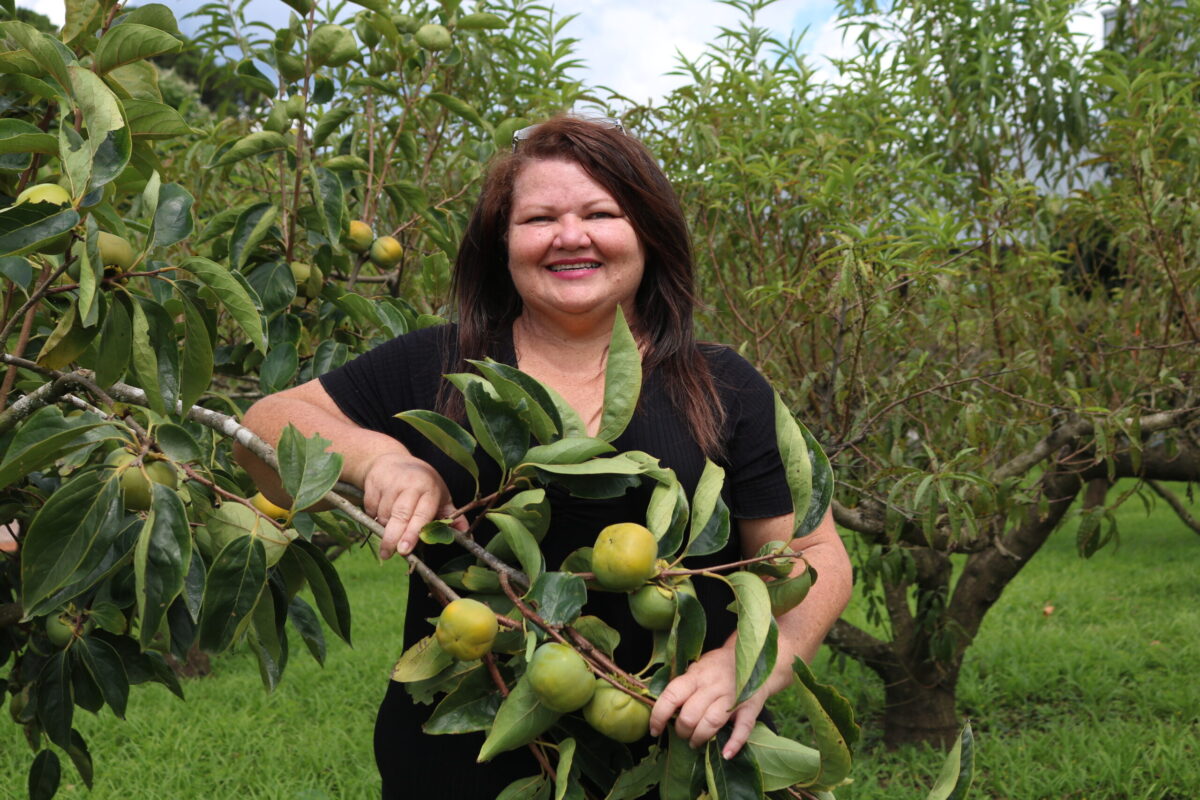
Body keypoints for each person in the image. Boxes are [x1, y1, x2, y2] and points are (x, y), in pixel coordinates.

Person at [235, 115, 852, 798]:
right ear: (503, 244)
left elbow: (813, 554)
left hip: (665, 758)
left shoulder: (723, 387)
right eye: (538, 219)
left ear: (647, 232)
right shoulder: (442, 364)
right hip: (456, 764)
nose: (570, 236)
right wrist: (382, 459)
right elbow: (265, 430)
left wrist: (756, 659)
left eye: (600, 212)